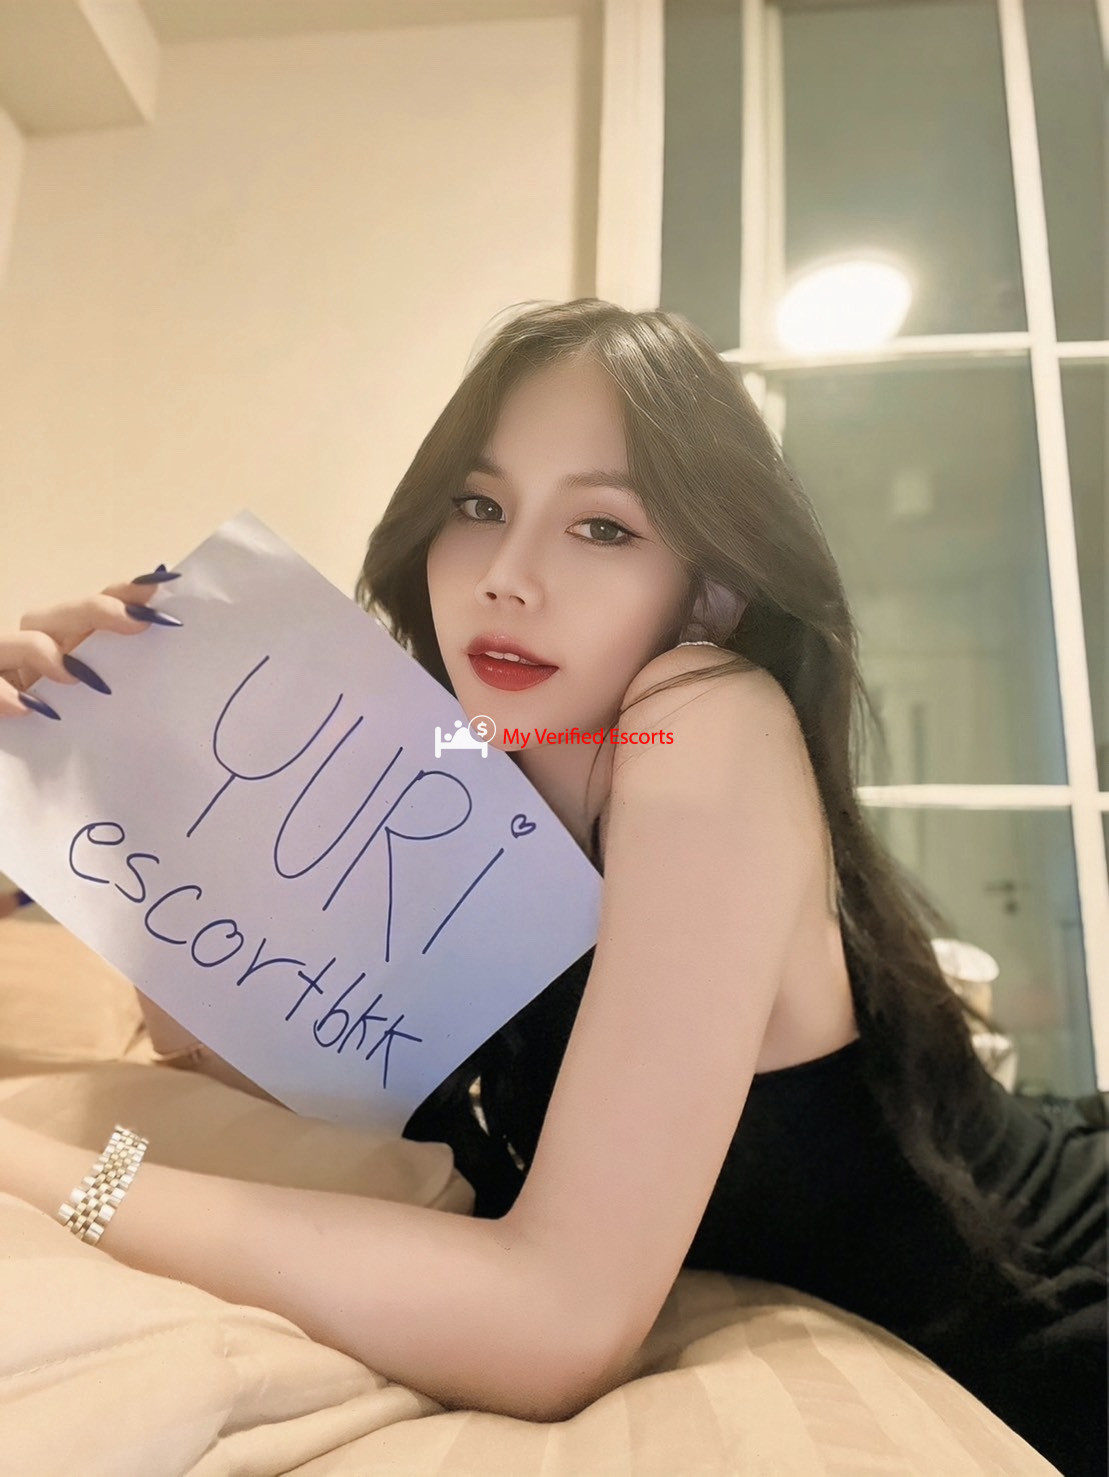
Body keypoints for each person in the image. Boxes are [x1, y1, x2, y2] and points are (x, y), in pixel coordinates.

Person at [0, 298, 1104, 1471]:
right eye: (478, 507)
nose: (507, 576)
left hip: (1052, 1309)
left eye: (603, 528)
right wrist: (91, 776)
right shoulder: (455, 762)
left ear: (709, 592)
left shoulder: (698, 723)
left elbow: (555, 1319)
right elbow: (279, 1079)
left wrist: (40, 1171)